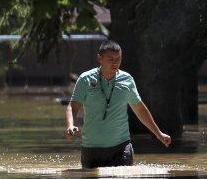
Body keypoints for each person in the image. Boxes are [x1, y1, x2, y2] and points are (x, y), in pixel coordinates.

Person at [65, 40, 171, 168]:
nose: (115, 63)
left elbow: (139, 109)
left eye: (118, 59)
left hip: (121, 147)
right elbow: (73, 107)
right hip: (92, 148)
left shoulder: (127, 79)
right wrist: (70, 126)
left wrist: (158, 133)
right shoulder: (85, 79)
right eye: (110, 59)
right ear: (100, 58)